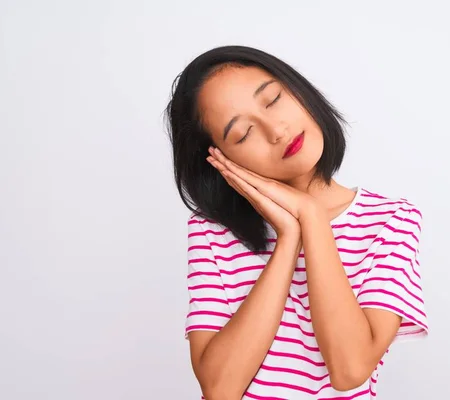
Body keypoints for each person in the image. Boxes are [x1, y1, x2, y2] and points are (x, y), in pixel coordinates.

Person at [165, 45, 428, 399]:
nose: (276, 130)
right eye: (243, 133)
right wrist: (289, 237)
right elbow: (220, 389)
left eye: (273, 99)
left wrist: (312, 218)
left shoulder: (392, 220)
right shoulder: (212, 234)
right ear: (220, 160)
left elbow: (350, 369)